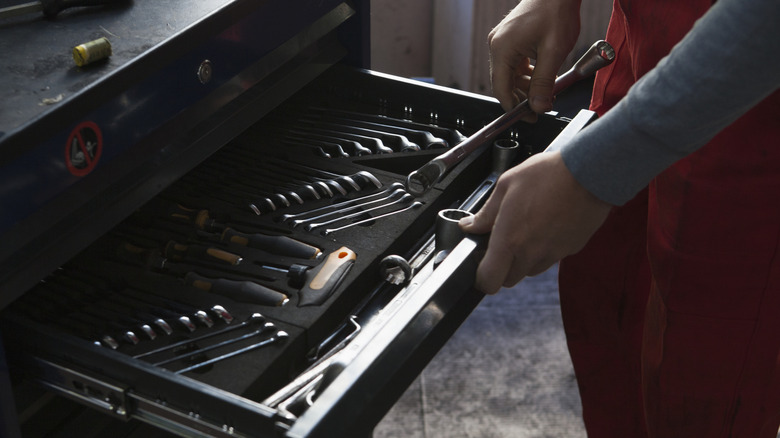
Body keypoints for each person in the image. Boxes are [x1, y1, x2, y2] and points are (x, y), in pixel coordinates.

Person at [458, 0, 780, 436]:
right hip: (643, 41)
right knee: (605, 316)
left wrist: (606, 164)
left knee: (702, 377)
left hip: (751, 93)